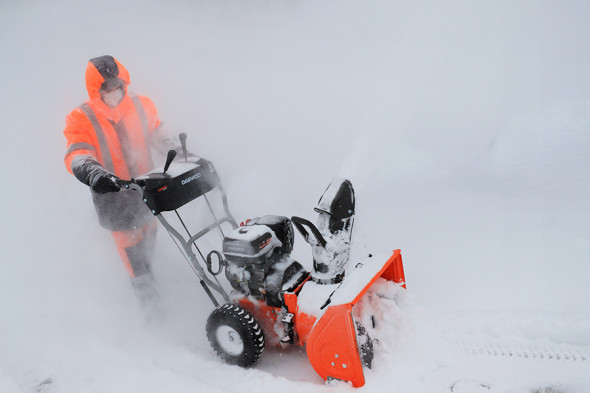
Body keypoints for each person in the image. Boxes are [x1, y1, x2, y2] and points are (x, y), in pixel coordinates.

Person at [63, 55, 179, 310]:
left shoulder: (142, 105)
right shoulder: (80, 118)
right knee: (133, 255)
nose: (114, 92)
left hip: (147, 190)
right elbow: (77, 153)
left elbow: (156, 130)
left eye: (118, 86)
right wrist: (94, 174)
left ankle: (157, 284)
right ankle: (151, 309)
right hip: (113, 195)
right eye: (107, 88)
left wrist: (170, 145)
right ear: (96, 90)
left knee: (149, 240)